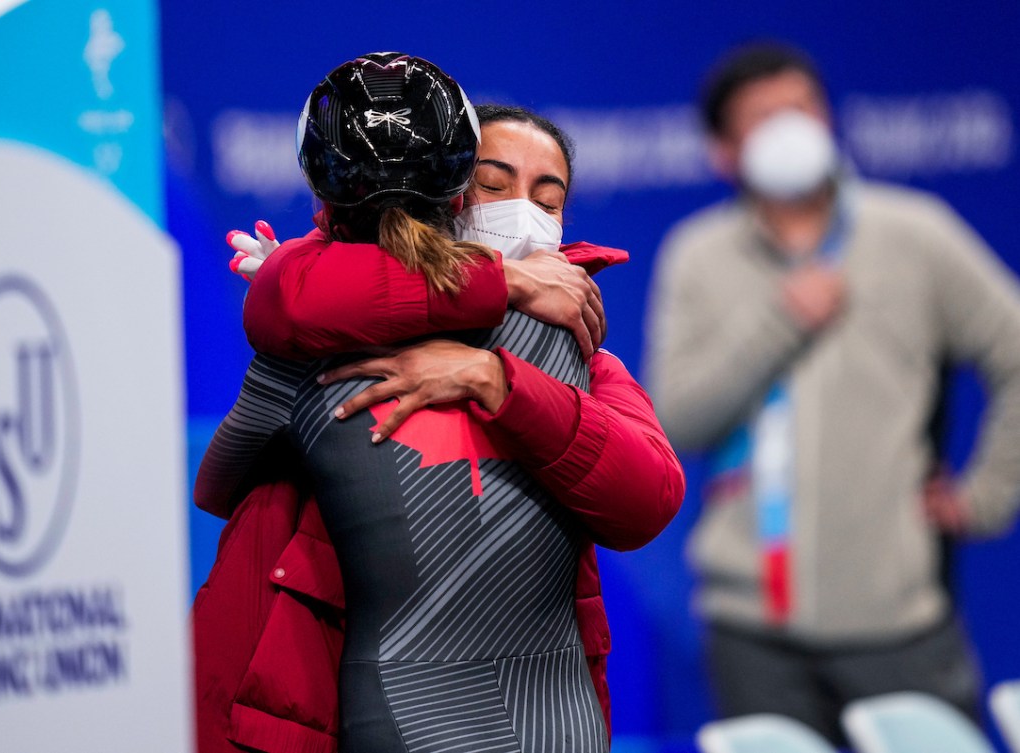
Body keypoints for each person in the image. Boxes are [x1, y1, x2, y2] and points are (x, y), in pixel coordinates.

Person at [195, 54, 683, 753]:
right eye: (494, 184)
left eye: (547, 201)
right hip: (378, 702)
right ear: (446, 189)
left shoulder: (576, 344)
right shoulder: (306, 314)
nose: (522, 214)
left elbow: (648, 499)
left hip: (547, 713)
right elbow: (293, 298)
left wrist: (496, 379)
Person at [644, 40, 1020, 743]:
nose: (791, 130)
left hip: (896, 618)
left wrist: (986, 497)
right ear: (722, 151)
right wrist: (781, 320)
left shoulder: (914, 233)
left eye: (802, 109)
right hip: (750, 625)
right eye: (764, 118)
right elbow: (676, 419)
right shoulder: (697, 255)